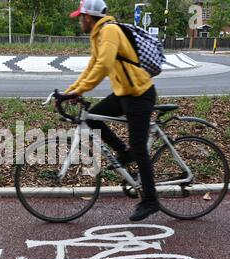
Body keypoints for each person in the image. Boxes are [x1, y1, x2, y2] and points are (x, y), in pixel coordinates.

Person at [66, 0, 160, 222]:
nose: (80, 20)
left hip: (139, 94)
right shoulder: (99, 34)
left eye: (81, 17)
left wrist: (79, 90)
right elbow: (92, 66)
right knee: (92, 120)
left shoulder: (109, 31)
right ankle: (123, 151)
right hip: (124, 93)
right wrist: (70, 91)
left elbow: (103, 66)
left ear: (89, 17)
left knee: (139, 147)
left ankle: (151, 200)